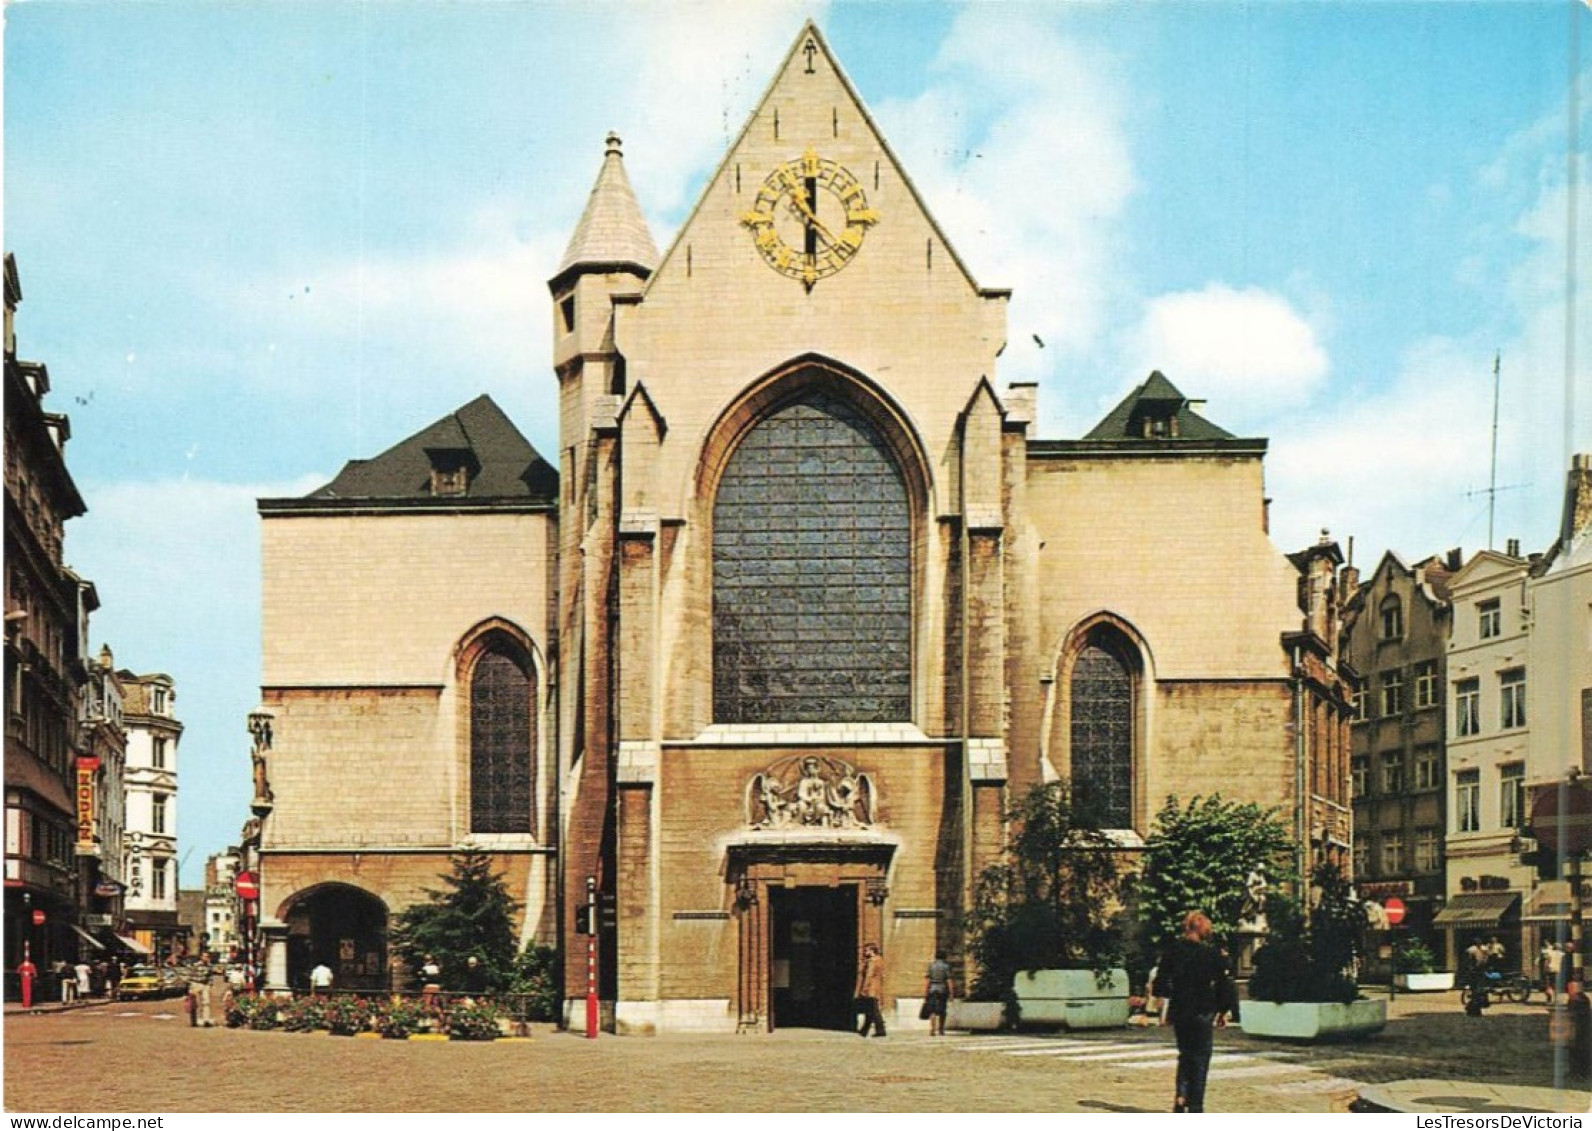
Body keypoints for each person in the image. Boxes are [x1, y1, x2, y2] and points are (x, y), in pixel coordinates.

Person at [1153, 910, 1234, 1114]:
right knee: (1200, 1058)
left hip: (1180, 1009)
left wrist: (1162, 1001)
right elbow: (1224, 984)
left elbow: (1161, 980)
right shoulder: (1211, 953)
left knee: (1185, 1054)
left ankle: (1181, 1097)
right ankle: (1196, 1104)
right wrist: (1223, 1010)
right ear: (1203, 929)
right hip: (1202, 1009)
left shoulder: (1172, 951)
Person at [855, 942, 887, 1038]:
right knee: (870, 1010)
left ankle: (880, 1030)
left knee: (873, 1010)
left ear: (872, 951)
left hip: (870, 989)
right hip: (876, 987)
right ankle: (864, 1030)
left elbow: (869, 975)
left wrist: (864, 988)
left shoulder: (872, 961)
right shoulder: (879, 960)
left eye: (866, 950)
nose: (865, 952)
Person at [922, 951, 953, 1036]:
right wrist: (951, 993)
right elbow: (949, 980)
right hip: (942, 989)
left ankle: (932, 1029)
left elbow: (927, 980)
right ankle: (941, 1029)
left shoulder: (931, 966)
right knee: (942, 1010)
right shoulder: (946, 966)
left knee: (932, 1010)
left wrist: (925, 992)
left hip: (932, 989)